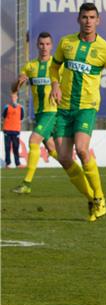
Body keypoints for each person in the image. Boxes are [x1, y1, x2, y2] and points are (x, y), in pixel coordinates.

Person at [49, 2, 106, 222]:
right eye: (84, 17)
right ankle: (91, 197)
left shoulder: (105, 50)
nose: (88, 21)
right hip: (64, 109)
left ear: (98, 20)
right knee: (64, 158)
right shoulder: (66, 43)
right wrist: (55, 84)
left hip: (86, 107)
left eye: (92, 17)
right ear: (78, 19)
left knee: (82, 150)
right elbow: (54, 67)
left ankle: (100, 198)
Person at [12, 32, 59, 193]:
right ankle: (78, 170)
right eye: (41, 44)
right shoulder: (30, 66)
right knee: (53, 150)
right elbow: (14, 89)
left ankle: (27, 184)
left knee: (33, 141)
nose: (44, 47)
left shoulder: (57, 65)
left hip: (51, 111)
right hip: (39, 114)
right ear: (37, 46)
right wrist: (19, 82)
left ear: (51, 46)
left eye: (47, 44)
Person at [2, 91, 23, 168]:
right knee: (7, 147)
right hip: (7, 130)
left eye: (14, 97)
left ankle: (18, 163)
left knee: (16, 147)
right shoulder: (6, 107)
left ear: (17, 97)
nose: (13, 98)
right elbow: (4, 116)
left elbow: (21, 117)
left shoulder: (21, 107)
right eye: (11, 97)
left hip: (16, 130)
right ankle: (8, 164)